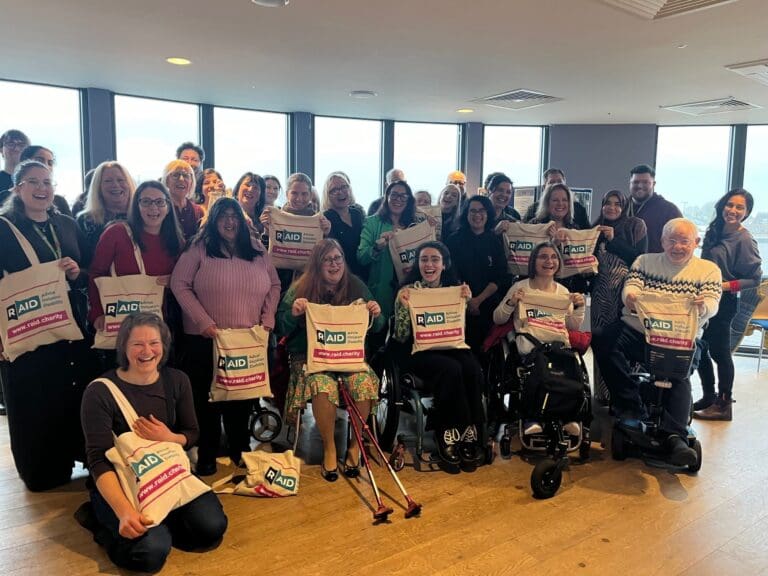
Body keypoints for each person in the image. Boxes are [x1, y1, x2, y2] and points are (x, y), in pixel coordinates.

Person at [79, 313, 227, 573]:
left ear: (164, 345)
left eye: (154, 343)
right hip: (123, 482)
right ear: (123, 347)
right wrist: (124, 511)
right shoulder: (99, 392)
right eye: (137, 344)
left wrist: (171, 438)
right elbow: (98, 460)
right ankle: (100, 517)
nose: (147, 351)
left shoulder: (177, 380)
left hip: (167, 474)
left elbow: (192, 433)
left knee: (211, 529)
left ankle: (161, 524)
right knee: (149, 554)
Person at [592, 218, 721, 466]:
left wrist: (704, 306)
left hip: (681, 336)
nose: (677, 246)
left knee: (678, 375)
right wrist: (630, 296)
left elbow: (713, 302)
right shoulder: (645, 262)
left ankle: (675, 435)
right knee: (603, 341)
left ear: (696, 242)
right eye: (671, 240)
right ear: (662, 241)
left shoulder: (708, 270)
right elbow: (632, 285)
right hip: (639, 332)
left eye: (684, 241)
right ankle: (630, 405)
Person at [0, 160, 95, 490]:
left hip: (68, 328)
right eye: (33, 182)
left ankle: (75, 455)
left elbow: (87, 271)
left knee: (68, 394)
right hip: (26, 332)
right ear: (18, 189)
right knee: (33, 399)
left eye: (47, 182)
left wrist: (74, 272)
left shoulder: (67, 224)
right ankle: (41, 469)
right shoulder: (3, 227)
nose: (42, 189)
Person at [171, 198, 280, 475]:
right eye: (223, 216)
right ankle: (207, 451)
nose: (230, 222)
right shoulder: (199, 248)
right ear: (214, 220)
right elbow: (179, 284)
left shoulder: (256, 249)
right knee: (209, 400)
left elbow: (275, 284)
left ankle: (240, 446)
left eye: (234, 216)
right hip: (206, 339)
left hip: (247, 340)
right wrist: (203, 321)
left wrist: (268, 319)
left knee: (242, 397)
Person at [278, 239, 383, 480]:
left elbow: (379, 327)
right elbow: (281, 327)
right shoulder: (300, 288)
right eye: (328, 259)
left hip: (349, 358)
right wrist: (293, 313)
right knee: (322, 386)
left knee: (363, 383)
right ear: (317, 264)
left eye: (338, 259)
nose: (334, 264)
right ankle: (329, 448)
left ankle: (355, 447)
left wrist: (376, 315)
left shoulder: (356, 285)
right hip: (310, 358)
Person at [393, 241, 485, 468]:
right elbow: (401, 336)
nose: (429, 264)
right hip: (419, 351)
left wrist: (465, 301)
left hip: (450, 346)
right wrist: (402, 307)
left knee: (472, 367)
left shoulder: (454, 290)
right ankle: (447, 430)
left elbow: (460, 330)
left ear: (444, 265)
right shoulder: (408, 292)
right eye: (424, 259)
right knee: (450, 369)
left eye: (435, 259)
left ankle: (471, 429)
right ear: (418, 264)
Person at [493, 241, 586, 435]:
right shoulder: (521, 287)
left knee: (571, 366)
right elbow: (498, 318)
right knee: (541, 365)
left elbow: (573, 326)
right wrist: (511, 302)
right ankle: (532, 417)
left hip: (558, 344)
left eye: (553, 257)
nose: (549, 261)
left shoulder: (563, 292)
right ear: (533, 261)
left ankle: (570, 415)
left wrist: (579, 307)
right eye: (543, 256)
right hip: (531, 344)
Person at [88, 181, 185, 365]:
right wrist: (97, 313)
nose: (153, 208)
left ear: (168, 207)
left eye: (159, 202)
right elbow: (96, 272)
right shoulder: (116, 233)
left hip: (157, 325)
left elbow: (182, 282)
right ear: (136, 205)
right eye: (146, 202)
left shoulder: (175, 241)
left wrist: (174, 282)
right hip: (119, 322)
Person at [694, 189, 762, 420]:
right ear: (722, 206)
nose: (733, 210)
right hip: (703, 298)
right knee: (700, 347)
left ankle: (724, 405)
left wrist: (724, 286)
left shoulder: (744, 239)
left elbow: (754, 278)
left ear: (747, 213)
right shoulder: (715, 230)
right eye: (730, 205)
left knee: (720, 352)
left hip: (724, 301)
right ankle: (708, 396)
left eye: (739, 207)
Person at [358, 179, 427, 323]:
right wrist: (377, 248)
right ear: (387, 197)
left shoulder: (416, 224)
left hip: (412, 286)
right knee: (382, 330)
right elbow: (361, 257)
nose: (398, 200)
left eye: (403, 196)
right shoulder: (372, 222)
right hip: (383, 288)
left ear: (409, 200)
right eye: (394, 195)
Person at [446, 195, 507, 353]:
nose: (477, 215)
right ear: (466, 214)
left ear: (488, 214)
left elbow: (498, 276)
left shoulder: (495, 241)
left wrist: (478, 300)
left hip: (488, 305)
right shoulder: (453, 240)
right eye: (472, 211)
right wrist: (468, 301)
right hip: (459, 305)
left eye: (482, 211)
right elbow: (451, 273)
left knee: (486, 352)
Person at [591, 190, 648, 335]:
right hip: (599, 297)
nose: (612, 207)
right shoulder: (596, 227)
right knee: (597, 339)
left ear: (624, 207)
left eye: (617, 204)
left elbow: (640, 259)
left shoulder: (635, 226)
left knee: (617, 341)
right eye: (608, 203)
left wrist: (613, 240)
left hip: (624, 295)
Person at [76, 161, 135, 268]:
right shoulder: (86, 220)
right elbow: (83, 263)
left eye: (121, 180)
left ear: (129, 184)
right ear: (98, 187)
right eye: (108, 181)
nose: (116, 185)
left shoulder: (143, 215)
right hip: (101, 282)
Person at [626, 164, 682, 253]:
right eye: (636, 182)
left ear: (654, 184)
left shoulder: (669, 210)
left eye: (645, 182)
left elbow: (680, 240)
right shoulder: (619, 208)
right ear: (630, 183)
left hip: (654, 265)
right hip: (621, 264)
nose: (640, 186)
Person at [322, 172, 367, 279]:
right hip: (341, 275)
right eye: (334, 190)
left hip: (365, 271)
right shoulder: (325, 218)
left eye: (344, 187)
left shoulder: (357, 213)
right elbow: (329, 249)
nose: (340, 192)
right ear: (327, 195)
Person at [523, 168, 591, 228]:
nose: (556, 185)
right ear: (544, 187)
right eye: (551, 183)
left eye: (559, 182)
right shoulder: (533, 210)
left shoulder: (579, 210)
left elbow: (589, 236)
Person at [16, 145, 72, 216]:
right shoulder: (4, 197)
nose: (46, 166)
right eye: (40, 160)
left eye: (50, 163)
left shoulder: (60, 201)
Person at [163, 159, 202, 240]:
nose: (181, 179)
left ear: (191, 182)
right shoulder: (160, 208)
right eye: (176, 175)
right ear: (166, 180)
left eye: (186, 175)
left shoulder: (198, 211)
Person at [0, 129, 30, 193]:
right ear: (1, 150)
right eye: (11, 144)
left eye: (21, 145)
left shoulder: (34, 181)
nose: (16, 149)